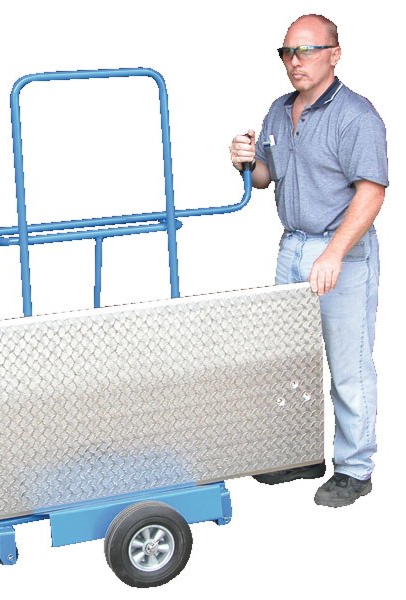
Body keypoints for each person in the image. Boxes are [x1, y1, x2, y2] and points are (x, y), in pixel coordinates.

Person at [230, 14, 388, 507]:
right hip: (292, 247)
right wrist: (245, 161)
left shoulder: (357, 116)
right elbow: (265, 178)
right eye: (287, 52)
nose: (294, 61)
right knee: (289, 361)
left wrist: (334, 252)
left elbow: (372, 192)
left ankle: (355, 469)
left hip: (341, 252)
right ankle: (300, 454)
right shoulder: (280, 111)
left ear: (334, 54)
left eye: (306, 50)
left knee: (348, 367)